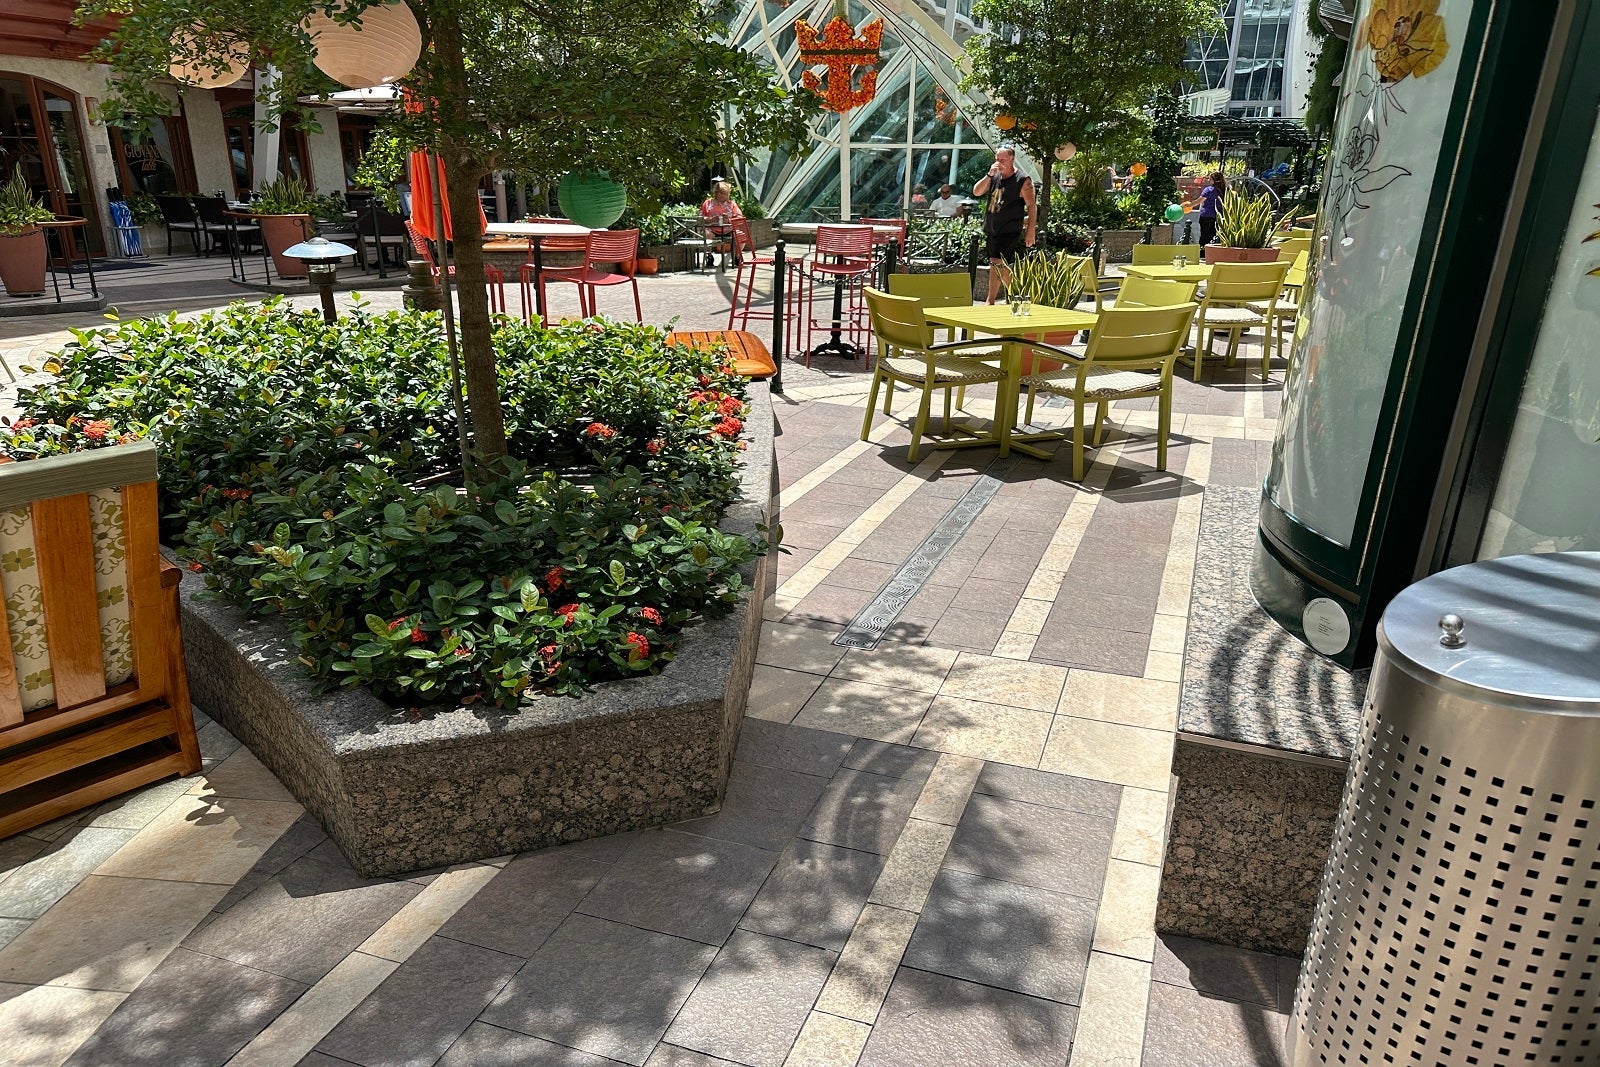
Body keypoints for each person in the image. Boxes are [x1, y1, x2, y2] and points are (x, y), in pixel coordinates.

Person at [972, 148, 1037, 304]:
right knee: (999, 264)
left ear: (1012, 159)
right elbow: (977, 192)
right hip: (992, 228)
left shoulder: (1022, 180)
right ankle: (1017, 294)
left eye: (1003, 160)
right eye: (997, 160)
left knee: (996, 262)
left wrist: (1030, 231)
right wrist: (989, 175)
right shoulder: (994, 176)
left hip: (1009, 229)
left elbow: (1032, 206)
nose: (999, 163)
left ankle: (991, 300)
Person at [698, 181, 744, 267]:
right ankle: (709, 256)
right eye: (720, 193)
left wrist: (729, 220)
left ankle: (737, 257)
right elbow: (700, 217)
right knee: (706, 234)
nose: (722, 195)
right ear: (716, 193)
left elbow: (740, 218)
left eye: (725, 193)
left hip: (728, 230)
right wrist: (711, 219)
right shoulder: (708, 203)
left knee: (740, 235)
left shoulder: (732, 204)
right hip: (712, 229)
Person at [1198, 170, 1226, 248]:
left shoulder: (1209, 190)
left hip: (1206, 215)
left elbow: (1199, 201)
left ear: (1214, 180)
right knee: (1213, 236)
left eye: (1210, 179)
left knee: (1204, 236)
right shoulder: (1224, 190)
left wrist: (1189, 205)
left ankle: (1202, 252)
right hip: (1218, 216)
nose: (1208, 180)